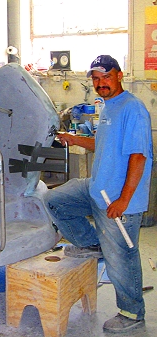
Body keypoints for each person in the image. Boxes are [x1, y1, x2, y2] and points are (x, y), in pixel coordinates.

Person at [44, 55, 153, 333]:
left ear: (119, 75)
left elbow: (139, 156)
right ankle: (92, 244)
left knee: (122, 258)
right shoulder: (106, 107)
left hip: (118, 201)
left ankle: (132, 313)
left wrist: (124, 200)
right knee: (55, 200)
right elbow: (101, 143)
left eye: (106, 76)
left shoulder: (133, 109)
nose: (100, 83)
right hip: (96, 189)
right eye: (95, 78)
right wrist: (72, 138)